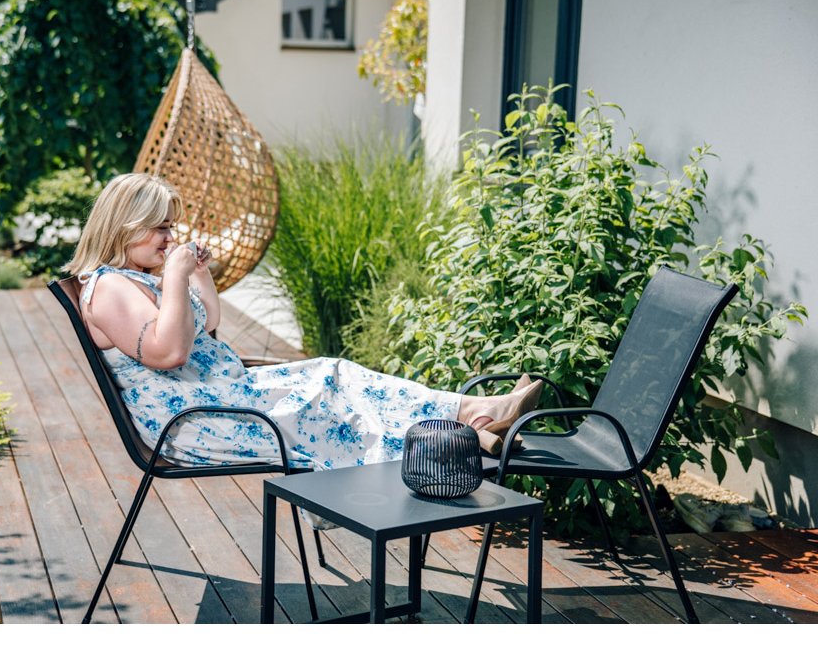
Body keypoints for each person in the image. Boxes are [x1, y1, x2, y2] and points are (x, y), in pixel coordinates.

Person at [64, 173, 542, 475]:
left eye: (171, 227)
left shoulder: (135, 278)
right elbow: (170, 352)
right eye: (161, 227)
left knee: (334, 378)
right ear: (125, 226)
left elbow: (203, 329)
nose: (170, 237)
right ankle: (465, 427)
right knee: (330, 387)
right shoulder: (109, 288)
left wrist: (198, 276)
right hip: (196, 423)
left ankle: (471, 422)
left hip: (221, 398)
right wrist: (174, 275)